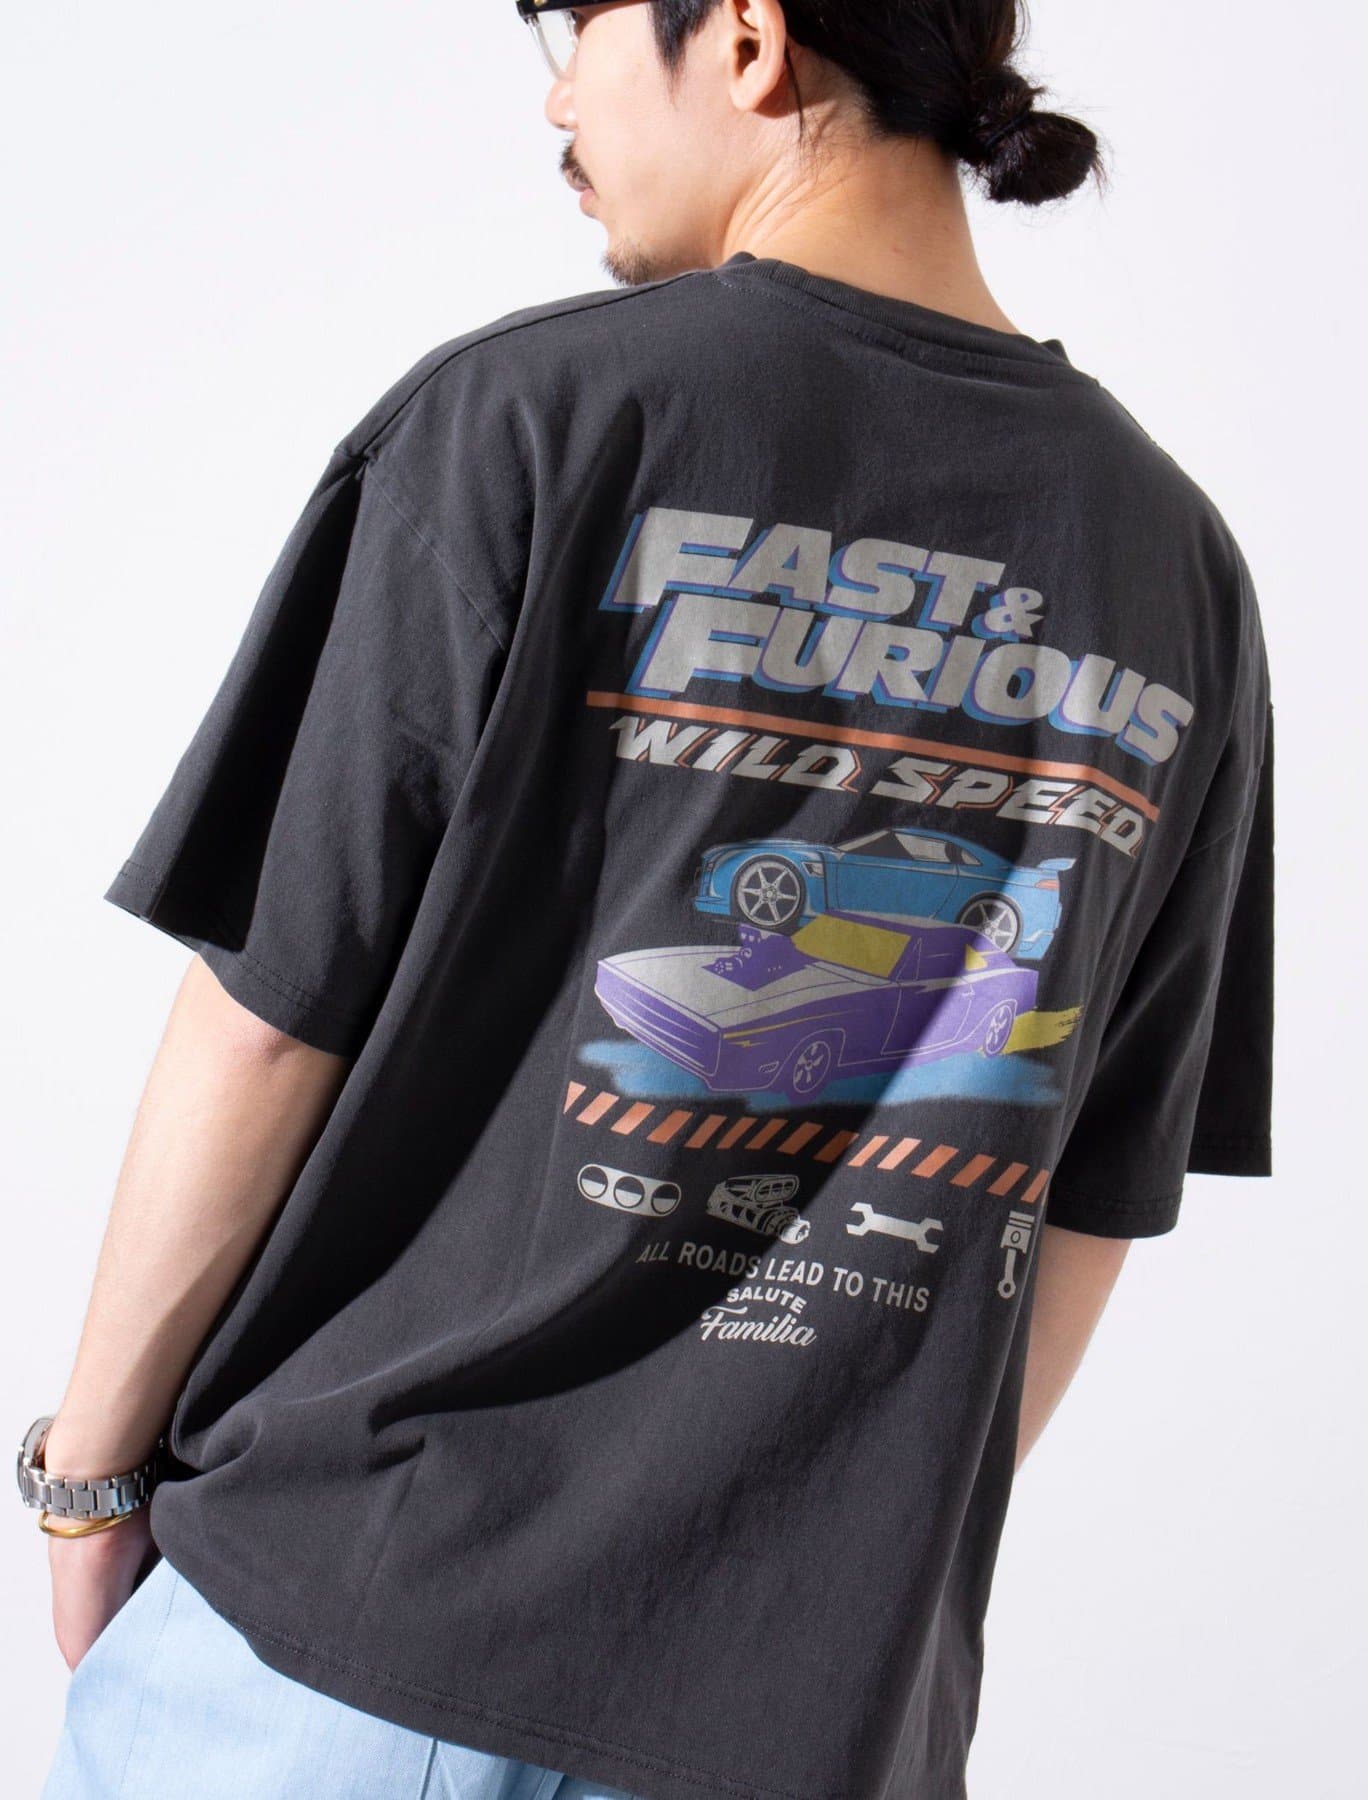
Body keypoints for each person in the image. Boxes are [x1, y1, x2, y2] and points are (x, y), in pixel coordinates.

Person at [26, 2, 1274, 1796]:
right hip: (814, 1718)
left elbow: (272, 1014)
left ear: (749, 37)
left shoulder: (528, 418)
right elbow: (1088, 1188)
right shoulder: (1179, 566)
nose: (559, 92)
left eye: (578, 21)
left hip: (364, 1634)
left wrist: (89, 1476)